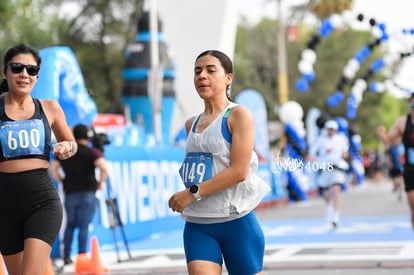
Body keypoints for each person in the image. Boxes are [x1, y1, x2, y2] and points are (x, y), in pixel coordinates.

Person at [168, 50, 270, 275]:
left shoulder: (238, 116)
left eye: (210, 70)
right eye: (197, 71)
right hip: (198, 225)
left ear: (228, 78)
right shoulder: (190, 125)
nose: (202, 76)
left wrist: (191, 193)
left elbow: (239, 172)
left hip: (236, 223)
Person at [0, 43, 77, 274]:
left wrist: (66, 147)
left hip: (42, 204)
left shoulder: (50, 108)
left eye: (31, 70)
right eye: (17, 68)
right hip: (4, 208)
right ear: (5, 72)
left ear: (37, 76)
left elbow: (73, 144)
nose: (24, 74)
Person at [49, 124, 108, 265]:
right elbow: (103, 167)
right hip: (87, 192)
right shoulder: (92, 151)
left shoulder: (68, 152)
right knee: (84, 226)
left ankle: (67, 255)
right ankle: (82, 256)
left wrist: (61, 180)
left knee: (70, 225)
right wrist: (100, 182)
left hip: (70, 193)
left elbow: (53, 167)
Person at [377, 93, 414, 231]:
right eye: (412, 104)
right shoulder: (402, 123)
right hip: (410, 169)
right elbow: (388, 140)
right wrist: (382, 134)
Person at [307, 120, 349, 228]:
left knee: (336, 191)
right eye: (329, 129)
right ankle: (329, 208)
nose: (331, 131)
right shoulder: (320, 140)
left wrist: (344, 155)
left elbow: (345, 153)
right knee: (326, 194)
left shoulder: (341, 139)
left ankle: (336, 216)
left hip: (336, 168)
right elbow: (312, 153)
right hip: (325, 168)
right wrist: (323, 153)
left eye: (333, 129)